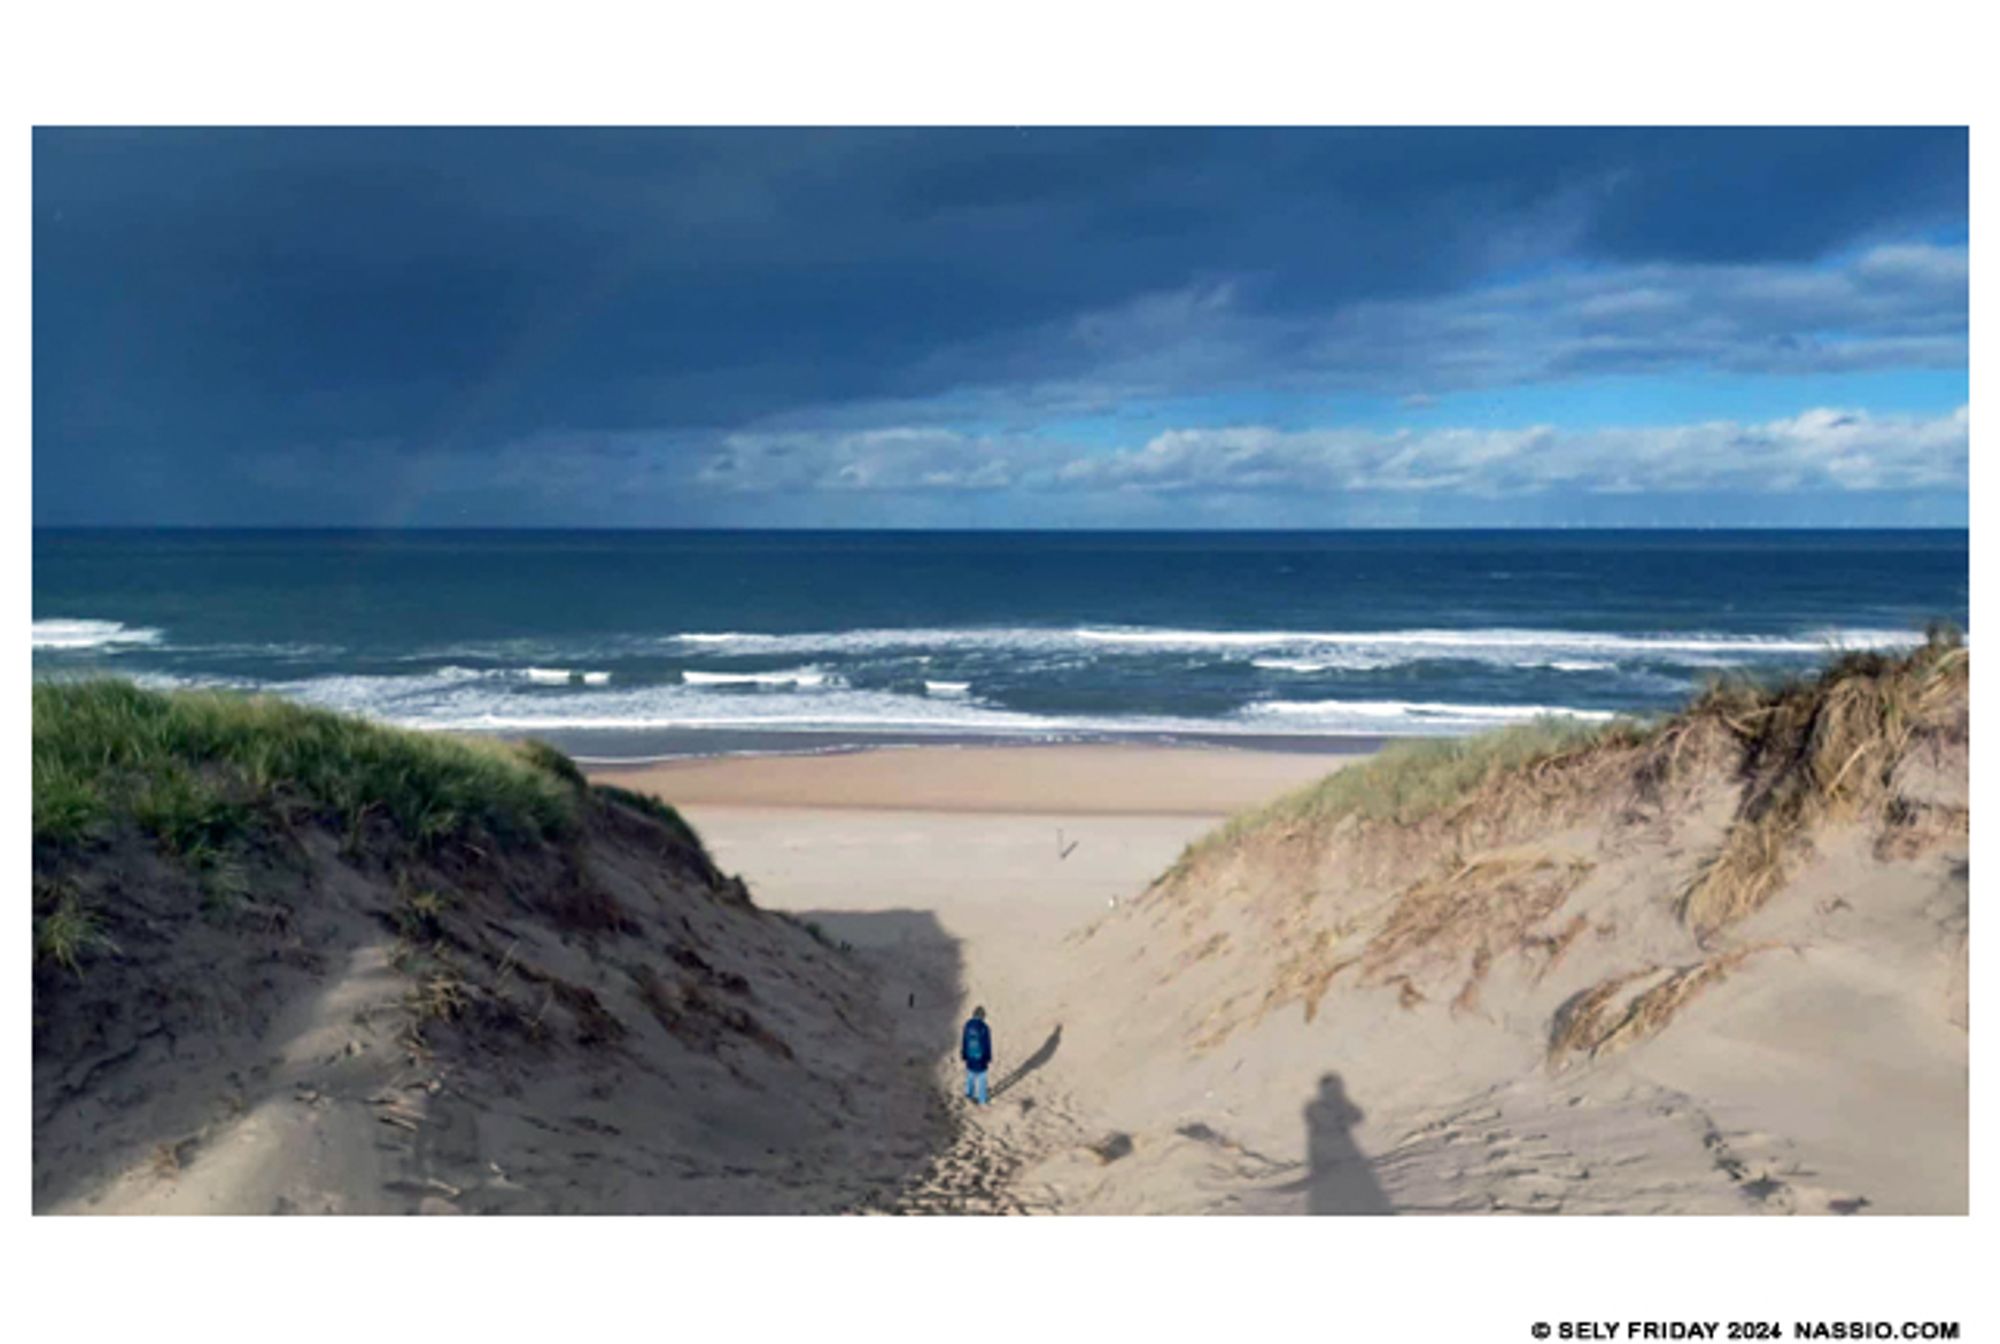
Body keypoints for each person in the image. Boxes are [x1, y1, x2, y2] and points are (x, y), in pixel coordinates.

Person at [960, 1005, 993, 1105]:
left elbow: (964, 1040)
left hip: (970, 1055)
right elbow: (986, 1044)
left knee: (970, 1075)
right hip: (981, 1057)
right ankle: (982, 1098)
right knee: (982, 1077)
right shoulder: (984, 1027)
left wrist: (964, 1054)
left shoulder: (968, 1025)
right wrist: (988, 1056)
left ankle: (969, 1093)